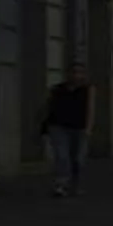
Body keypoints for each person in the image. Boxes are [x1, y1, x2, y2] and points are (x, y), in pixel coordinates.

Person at [40, 66, 91, 197]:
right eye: (73, 72)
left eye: (79, 73)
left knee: (78, 159)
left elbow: (90, 109)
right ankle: (61, 184)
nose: (76, 76)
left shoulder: (87, 90)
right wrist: (43, 126)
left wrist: (88, 128)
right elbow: (47, 107)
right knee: (62, 156)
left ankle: (76, 184)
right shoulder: (57, 89)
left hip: (79, 128)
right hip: (58, 126)